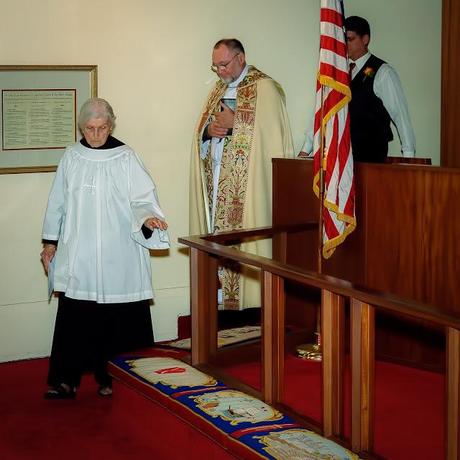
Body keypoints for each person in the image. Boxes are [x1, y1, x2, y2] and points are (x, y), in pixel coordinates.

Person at [40, 97, 169, 399]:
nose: (96, 135)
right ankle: (66, 380)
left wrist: (149, 218)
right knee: (76, 317)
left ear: (111, 125)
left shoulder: (125, 157)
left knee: (118, 319)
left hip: (118, 251)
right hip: (80, 251)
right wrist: (50, 243)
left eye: (102, 128)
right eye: (89, 129)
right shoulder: (71, 156)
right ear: (81, 127)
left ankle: (115, 379)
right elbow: (57, 202)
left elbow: (142, 198)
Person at [190, 38, 294, 310]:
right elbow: (202, 131)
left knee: (249, 242)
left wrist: (235, 123)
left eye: (223, 64)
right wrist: (207, 132)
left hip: (248, 192)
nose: (220, 72)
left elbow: (271, 138)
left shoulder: (266, 88)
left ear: (240, 57)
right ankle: (224, 305)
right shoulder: (216, 91)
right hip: (218, 186)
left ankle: (252, 304)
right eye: (215, 67)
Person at [300, 16, 416, 163]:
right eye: (342, 40)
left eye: (350, 39)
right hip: (338, 158)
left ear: (365, 39)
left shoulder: (382, 72)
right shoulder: (337, 73)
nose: (344, 45)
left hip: (370, 158)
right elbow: (322, 110)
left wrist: (409, 158)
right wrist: (306, 148)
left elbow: (401, 116)